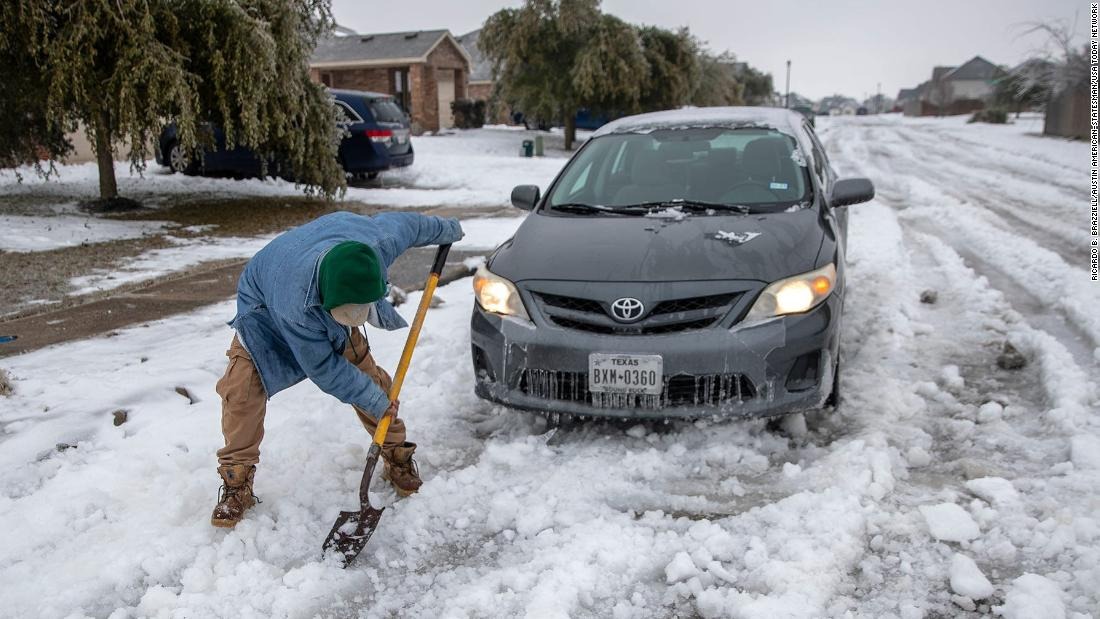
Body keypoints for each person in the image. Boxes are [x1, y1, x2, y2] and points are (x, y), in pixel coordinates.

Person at [210, 210, 463, 528]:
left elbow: (410, 225)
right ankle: (236, 482)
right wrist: (373, 400)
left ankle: (396, 453)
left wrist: (446, 229)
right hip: (264, 312)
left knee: (372, 383)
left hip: (329, 289)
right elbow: (326, 370)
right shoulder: (296, 305)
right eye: (345, 316)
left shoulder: (374, 245)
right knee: (241, 393)